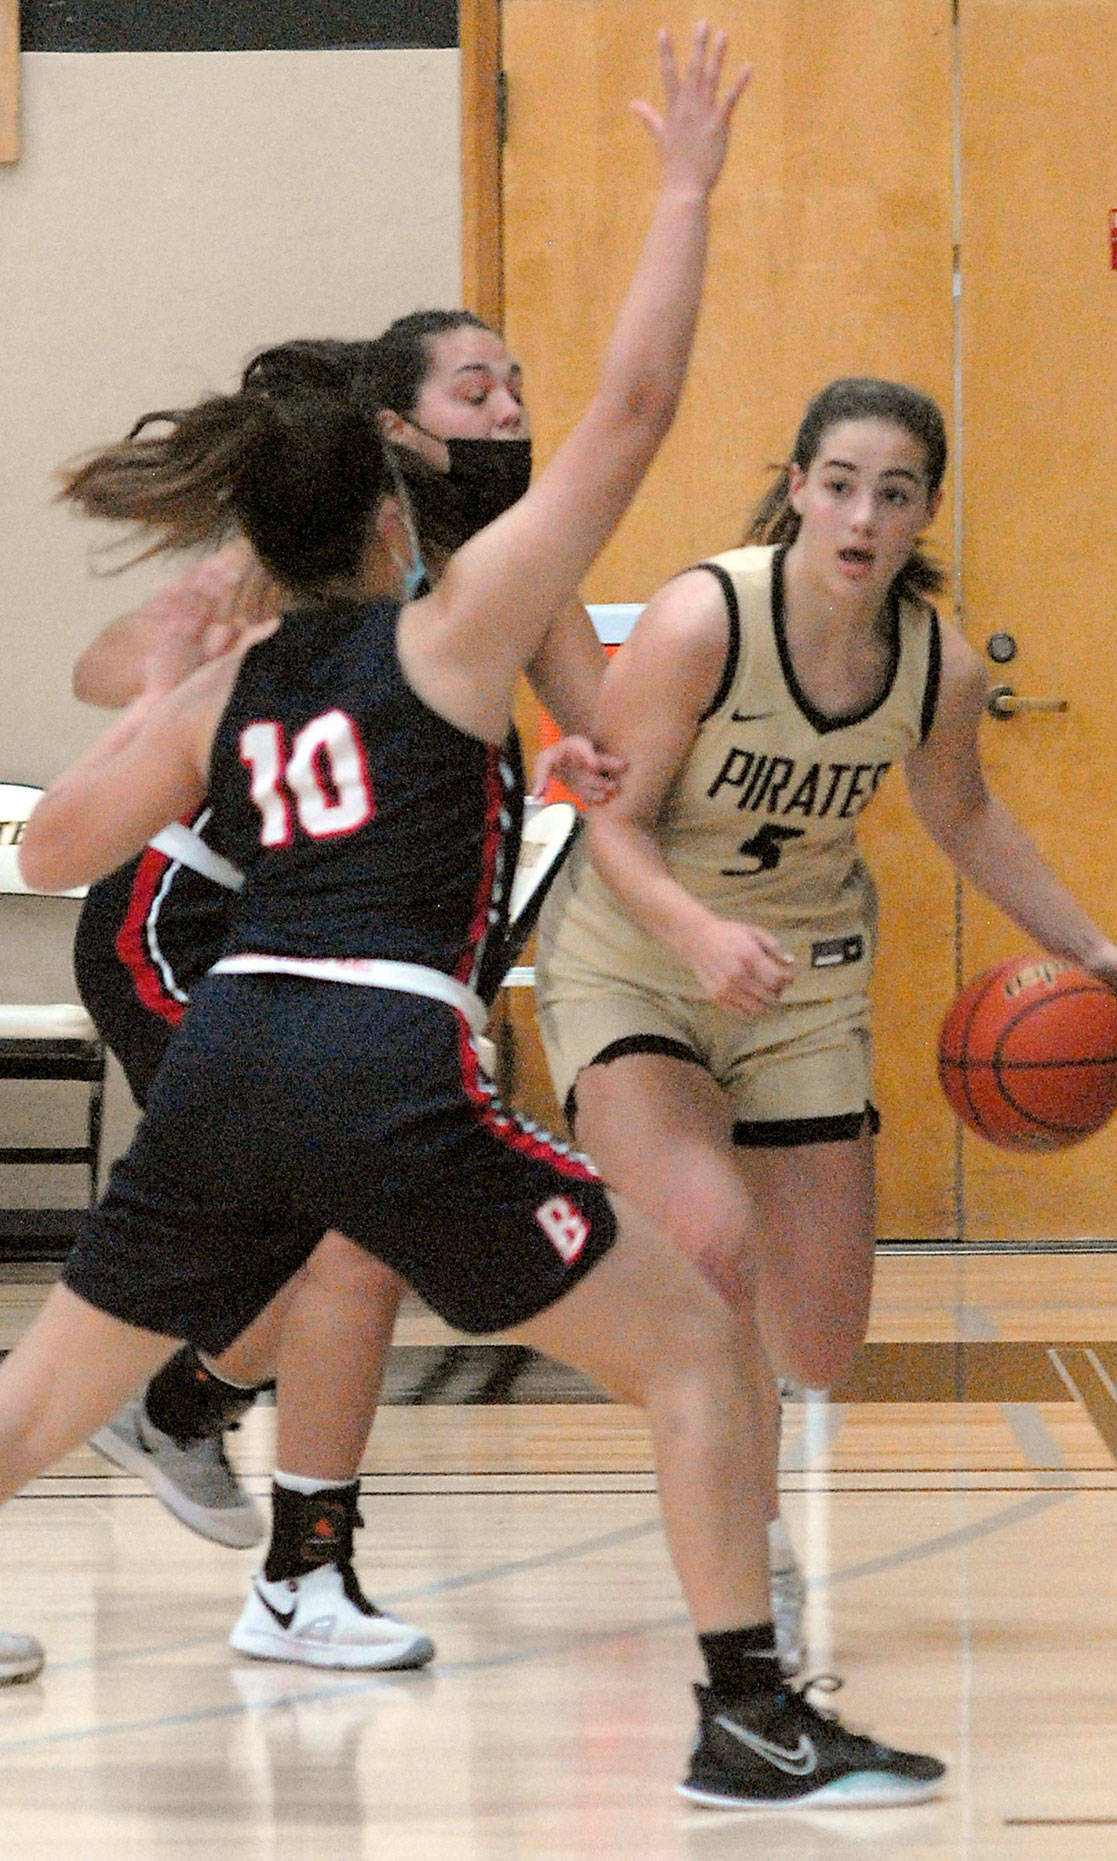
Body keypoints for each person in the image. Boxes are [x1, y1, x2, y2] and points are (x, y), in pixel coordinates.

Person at [11, 30, 946, 1810]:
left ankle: (268, 1503)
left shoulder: (238, 687)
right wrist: (680, 189)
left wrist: (174, 691)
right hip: (373, 1044)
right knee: (691, 1343)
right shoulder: (442, 632)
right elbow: (638, 412)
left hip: (226, 1059)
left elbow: (56, 850)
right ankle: (749, 1714)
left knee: (41, 1401)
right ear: (387, 508)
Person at [534, 372, 1117, 1668]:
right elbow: (608, 822)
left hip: (805, 978)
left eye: (894, 494)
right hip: (638, 957)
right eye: (839, 483)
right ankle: (748, 1529)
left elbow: (966, 817)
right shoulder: (700, 619)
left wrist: (1089, 945)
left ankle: (717, 1424)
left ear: (922, 512)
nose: (862, 514)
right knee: (711, 1237)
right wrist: (699, 934)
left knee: (823, 1337)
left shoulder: (932, 662)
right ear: (796, 488)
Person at [68, 322, 617, 1670]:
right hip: (197, 920)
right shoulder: (307, 549)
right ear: (395, 424)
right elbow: (104, 671)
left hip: (366, 952)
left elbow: (609, 740)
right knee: (342, 1234)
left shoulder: (505, 567)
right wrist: (190, 663)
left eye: (518, 381)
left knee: (351, 1246)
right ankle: (213, 1450)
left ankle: (260, 1514)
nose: (506, 403)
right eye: (472, 385)